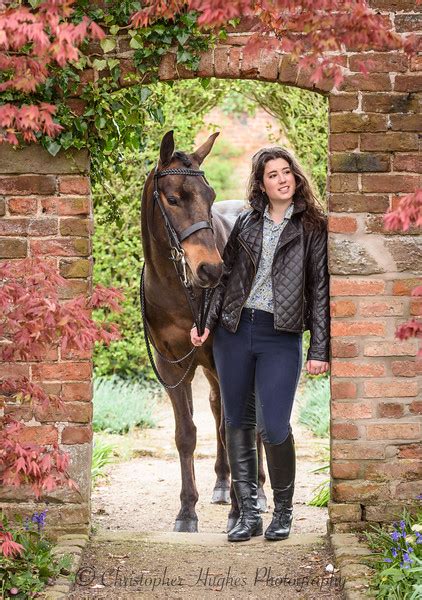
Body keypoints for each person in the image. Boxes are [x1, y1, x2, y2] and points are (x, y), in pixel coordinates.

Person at [190, 147, 330, 543]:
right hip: (234, 332)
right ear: (262, 183)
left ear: (296, 177)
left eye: (287, 172)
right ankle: (248, 513)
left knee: (274, 426)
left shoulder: (313, 227)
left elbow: (320, 289)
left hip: (280, 336)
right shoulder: (247, 224)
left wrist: (319, 348)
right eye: (273, 174)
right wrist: (204, 324)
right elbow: (225, 279)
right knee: (235, 421)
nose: (282, 179)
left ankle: (282, 512)